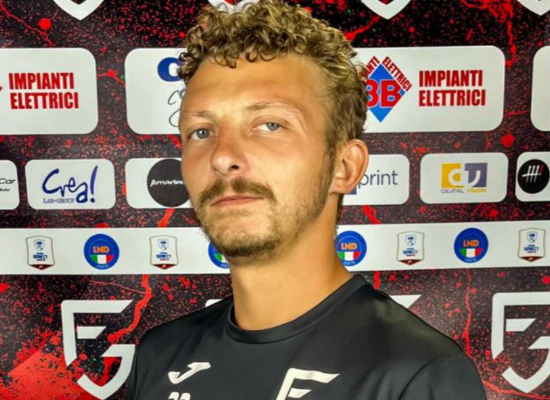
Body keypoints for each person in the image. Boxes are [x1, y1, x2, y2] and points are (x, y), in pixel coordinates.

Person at [125, 0, 487, 399]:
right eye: (201, 131)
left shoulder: (417, 374)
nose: (222, 156)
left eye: (269, 125)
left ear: (344, 167)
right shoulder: (159, 355)